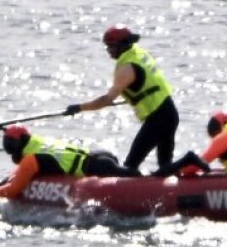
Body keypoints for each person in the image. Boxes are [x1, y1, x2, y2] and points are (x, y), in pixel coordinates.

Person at [64, 25, 179, 174]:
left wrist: (79, 107)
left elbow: (106, 99)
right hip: (170, 113)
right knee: (164, 165)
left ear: (122, 45)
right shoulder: (138, 53)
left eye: (111, 47)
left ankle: (131, 192)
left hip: (158, 119)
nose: (109, 51)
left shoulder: (126, 68)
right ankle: (172, 189)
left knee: (130, 165)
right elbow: (145, 86)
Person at [0, 124, 135, 202]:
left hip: (96, 167)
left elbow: (14, 190)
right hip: (98, 155)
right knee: (128, 171)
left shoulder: (30, 159)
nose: (10, 150)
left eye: (10, 146)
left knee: (132, 176)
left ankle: (156, 177)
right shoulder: (39, 143)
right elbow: (19, 173)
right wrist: (8, 179)